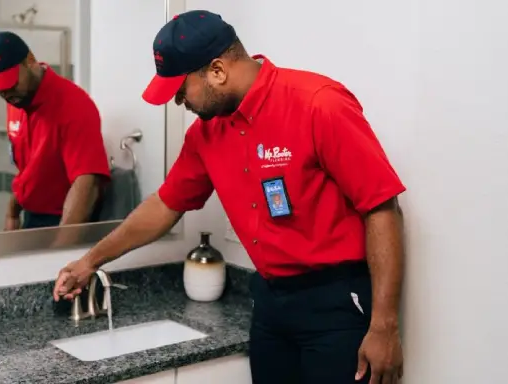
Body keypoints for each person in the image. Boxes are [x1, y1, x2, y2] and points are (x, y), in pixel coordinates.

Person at [53, 10, 405, 384]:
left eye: (180, 89)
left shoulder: (318, 103)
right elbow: (164, 205)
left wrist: (384, 325)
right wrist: (90, 260)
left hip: (335, 303)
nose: (178, 102)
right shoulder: (205, 134)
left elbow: (382, 208)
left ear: (217, 71)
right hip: (270, 303)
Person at [0, 31, 111, 230]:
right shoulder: (16, 101)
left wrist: (62, 246)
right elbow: (29, 169)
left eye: (9, 82)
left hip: (64, 220)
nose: (5, 93)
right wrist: (12, 213)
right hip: (30, 217)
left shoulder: (74, 104)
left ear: (30, 61)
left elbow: (87, 182)